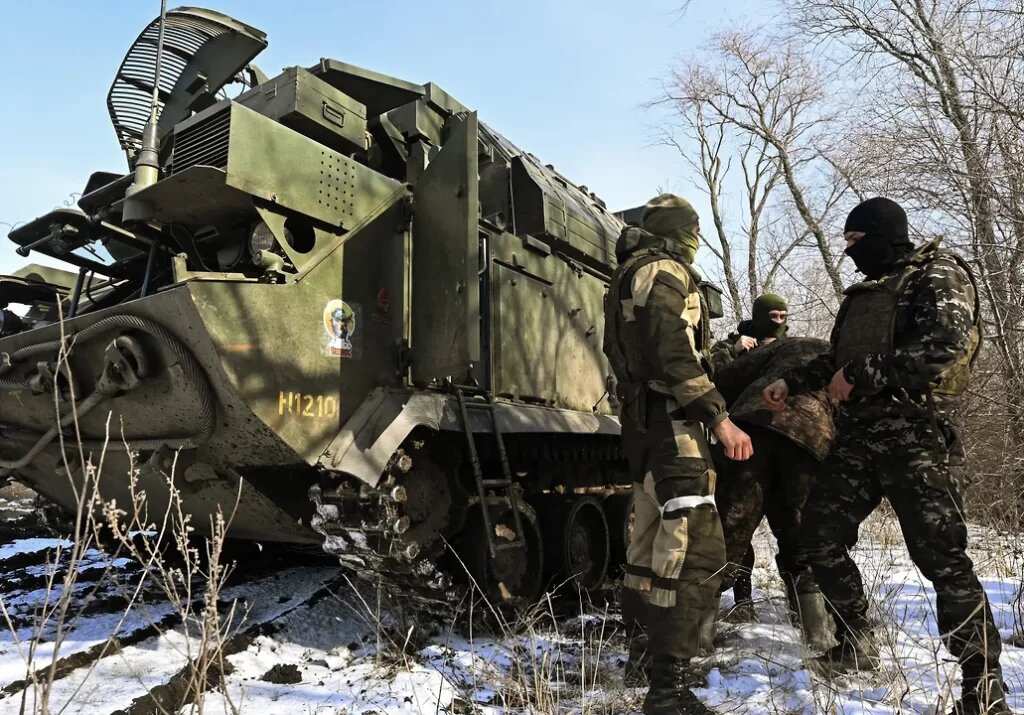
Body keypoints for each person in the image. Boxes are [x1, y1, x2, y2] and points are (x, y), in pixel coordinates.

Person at [762, 197, 1008, 715]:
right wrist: (794, 381)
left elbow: (943, 347)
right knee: (817, 538)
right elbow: (837, 360)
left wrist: (861, 375)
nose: (850, 253)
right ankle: (856, 640)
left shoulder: (937, 274)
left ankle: (983, 689)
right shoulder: (865, 294)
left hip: (915, 437)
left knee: (942, 560)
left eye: (855, 242)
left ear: (881, 234)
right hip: (858, 439)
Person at [603, 193, 752, 715]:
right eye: (694, 231)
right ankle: (668, 690)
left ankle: (644, 659)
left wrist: (728, 354)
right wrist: (719, 416)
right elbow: (671, 349)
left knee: (647, 551)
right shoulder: (665, 270)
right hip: (675, 431)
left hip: (642, 429)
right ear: (681, 232)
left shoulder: (628, 273)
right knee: (697, 553)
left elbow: (655, 351)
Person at [711, 334, 836, 650]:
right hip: (809, 440)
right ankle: (817, 637)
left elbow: (723, 378)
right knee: (801, 534)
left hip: (750, 432)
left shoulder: (778, 348)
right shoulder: (839, 354)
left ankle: (695, 640)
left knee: (727, 533)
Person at [708, 293, 790, 620]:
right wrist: (733, 350)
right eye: (773, 317)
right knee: (734, 527)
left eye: (784, 317)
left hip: (782, 452)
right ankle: (741, 602)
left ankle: (807, 612)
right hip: (736, 450)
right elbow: (704, 376)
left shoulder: (789, 349)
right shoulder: (734, 344)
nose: (778, 324)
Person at [709, 293, 789, 369]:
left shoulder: (789, 345)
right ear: (760, 316)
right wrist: (734, 351)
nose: (778, 321)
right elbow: (705, 370)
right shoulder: (731, 344)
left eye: (782, 317)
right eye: (773, 316)